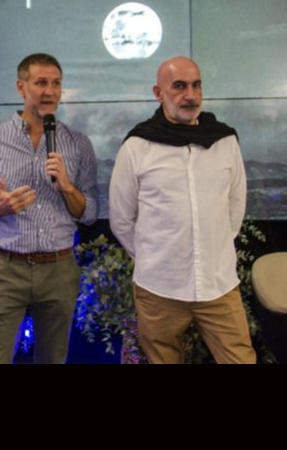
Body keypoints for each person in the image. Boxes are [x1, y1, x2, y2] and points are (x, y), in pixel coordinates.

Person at [109, 56, 256, 364]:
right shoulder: (138, 146)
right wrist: (155, 256)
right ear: (158, 93)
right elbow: (122, 219)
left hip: (218, 284)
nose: (190, 95)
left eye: (196, 85)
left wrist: (212, 248)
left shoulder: (224, 140)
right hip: (159, 288)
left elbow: (235, 206)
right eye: (179, 86)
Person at [0, 53, 98, 364]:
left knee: (53, 359)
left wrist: (67, 187)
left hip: (59, 268)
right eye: (41, 83)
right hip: (6, 267)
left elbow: (90, 212)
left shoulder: (78, 143)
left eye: (56, 84)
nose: (50, 91)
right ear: (21, 87)